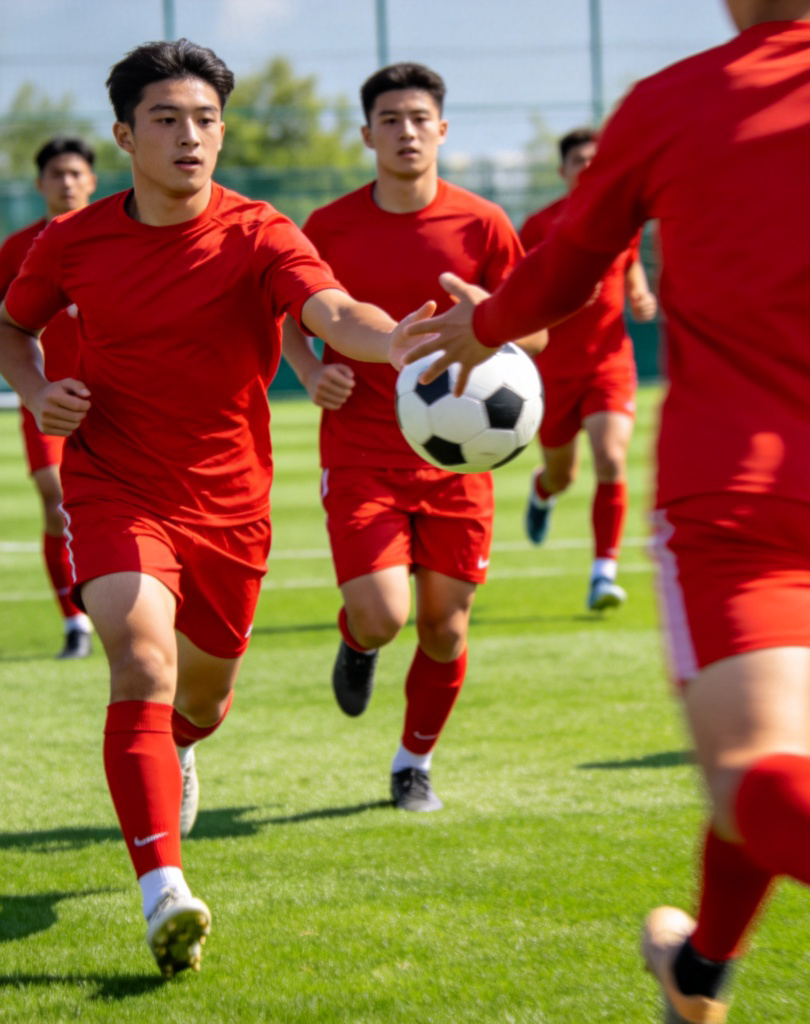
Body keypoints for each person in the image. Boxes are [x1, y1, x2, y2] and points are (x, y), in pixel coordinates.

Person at [401, 1, 810, 1020]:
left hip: (737, 496)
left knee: (755, 767)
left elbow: (567, 264)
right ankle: (699, 973)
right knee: (776, 753)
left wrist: (489, 324)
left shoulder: (668, 103)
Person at [0, 39, 429, 979]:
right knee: (139, 656)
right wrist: (37, 394)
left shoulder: (262, 232)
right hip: (114, 482)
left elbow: (332, 311)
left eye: (205, 120)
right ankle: (165, 891)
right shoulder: (72, 240)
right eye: (167, 119)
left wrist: (400, 343)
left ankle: (181, 746)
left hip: (230, 503)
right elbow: (11, 326)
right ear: (125, 135)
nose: (191, 136)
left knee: (200, 695)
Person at [282, 62, 545, 814]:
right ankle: (358, 641)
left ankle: (412, 764)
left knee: (443, 627)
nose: (406, 131)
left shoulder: (484, 224)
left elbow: (542, 331)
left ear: (443, 130)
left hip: (462, 457)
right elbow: (283, 313)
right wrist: (308, 370)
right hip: (361, 447)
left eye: (419, 118)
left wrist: (488, 316)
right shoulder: (328, 227)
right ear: (367, 134)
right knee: (384, 615)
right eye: (390, 119)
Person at [519, 127, 657, 612]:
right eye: (579, 159)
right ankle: (542, 491)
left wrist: (639, 291)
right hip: (553, 371)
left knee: (612, 459)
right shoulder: (538, 227)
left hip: (609, 364)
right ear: (563, 171)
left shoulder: (625, 219)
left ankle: (604, 573)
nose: (589, 167)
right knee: (563, 475)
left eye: (597, 159)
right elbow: (522, 290)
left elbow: (632, 260)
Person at [0, 136, 97, 658]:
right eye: (56, 174)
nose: (66, 182)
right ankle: (74, 623)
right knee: (55, 498)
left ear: (92, 181)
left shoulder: (115, 237)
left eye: (75, 173)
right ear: (40, 184)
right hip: (44, 399)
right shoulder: (17, 249)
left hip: (116, 398)